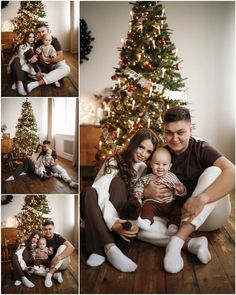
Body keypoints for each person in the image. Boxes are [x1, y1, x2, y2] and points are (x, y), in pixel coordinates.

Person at [141, 106, 234, 273]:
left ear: (190, 130)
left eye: (181, 132)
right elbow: (143, 185)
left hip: (210, 216)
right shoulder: (162, 155)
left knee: (215, 171)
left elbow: (233, 172)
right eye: (169, 132)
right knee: (141, 228)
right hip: (179, 216)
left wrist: (202, 198)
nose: (174, 138)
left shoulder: (201, 148)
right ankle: (191, 243)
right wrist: (146, 192)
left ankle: (176, 243)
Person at [80, 128, 158, 272]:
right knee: (88, 192)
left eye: (148, 151)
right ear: (134, 144)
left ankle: (102, 247)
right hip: (106, 215)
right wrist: (113, 222)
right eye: (141, 147)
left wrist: (143, 194)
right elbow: (100, 192)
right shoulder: (114, 160)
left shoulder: (144, 168)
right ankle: (109, 247)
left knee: (117, 183)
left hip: (123, 225)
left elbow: (136, 201)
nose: (143, 154)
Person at [133, 147, 187, 235]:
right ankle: (146, 222)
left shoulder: (172, 177)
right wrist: (138, 192)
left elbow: (181, 193)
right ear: (151, 164)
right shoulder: (147, 177)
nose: (160, 167)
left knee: (177, 211)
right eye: (157, 163)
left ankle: (173, 226)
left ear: (169, 166)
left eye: (164, 164)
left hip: (169, 204)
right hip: (153, 203)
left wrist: (181, 190)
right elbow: (139, 185)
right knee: (147, 207)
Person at [27, 22, 70, 93]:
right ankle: (53, 78)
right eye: (38, 32)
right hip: (44, 66)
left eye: (43, 31)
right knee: (29, 72)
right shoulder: (37, 43)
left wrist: (46, 59)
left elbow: (60, 57)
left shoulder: (54, 40)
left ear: (47, 30)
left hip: (56, 64)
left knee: (66, 69)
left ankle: (36, 84)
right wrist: (34, 62)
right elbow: (36, 56)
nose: (41, 34)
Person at [42, 220, 75, 288]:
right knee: (35, 269)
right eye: (45, 229)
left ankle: (49, 274)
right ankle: (56, 274)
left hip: (62, 263)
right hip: (50, 264)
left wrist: (58, 257)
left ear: (54, 229)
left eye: (50, 229)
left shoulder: (58, 237)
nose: (47, 231)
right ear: (43, 230)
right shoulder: (42, 239)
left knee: (63, 246)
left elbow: (71, 247)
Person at [7, 31, 36, 96]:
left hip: (25, 65)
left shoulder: (33, 46)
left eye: (33, 37)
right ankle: (19, 84)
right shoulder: (22, 46)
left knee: (23, 66)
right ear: (26, 38)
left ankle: (16, 81)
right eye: (30, 37)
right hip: (16, 64)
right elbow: (22, 59)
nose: (32, 39)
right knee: (17, 60)